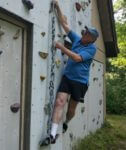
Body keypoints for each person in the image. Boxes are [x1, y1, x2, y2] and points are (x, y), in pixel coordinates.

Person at [40, 0, 99, 146]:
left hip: (80, 83)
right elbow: (64, 25)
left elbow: (77, 58)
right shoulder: (78, 39)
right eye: (85, 31)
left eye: (87, 33)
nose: (84, 32)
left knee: (71, 109)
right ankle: (52, 135)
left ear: (91, 39)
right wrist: (58, 7)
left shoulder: (92, 49)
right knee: (59, 102)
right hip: (68, 77)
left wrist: (61, 47)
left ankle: (66, 122)